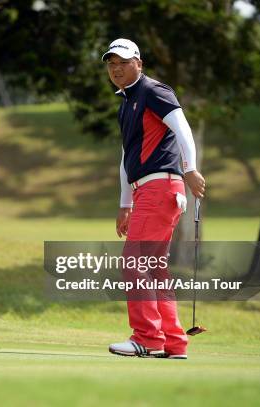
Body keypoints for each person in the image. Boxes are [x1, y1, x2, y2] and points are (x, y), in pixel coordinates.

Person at [102, 38, 206, 359]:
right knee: (154, 268)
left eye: (123, 63)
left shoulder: (153, 91)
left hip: (161, 186)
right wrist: (124, 203)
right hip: (150, 190)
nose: (117, 69)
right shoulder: (126, 103)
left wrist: (190, 168)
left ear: (139, 63)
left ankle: (147, 338)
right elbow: (126, 157)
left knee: (133, 263)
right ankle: (173, 342)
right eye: (111, 64)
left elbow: (182, 128)